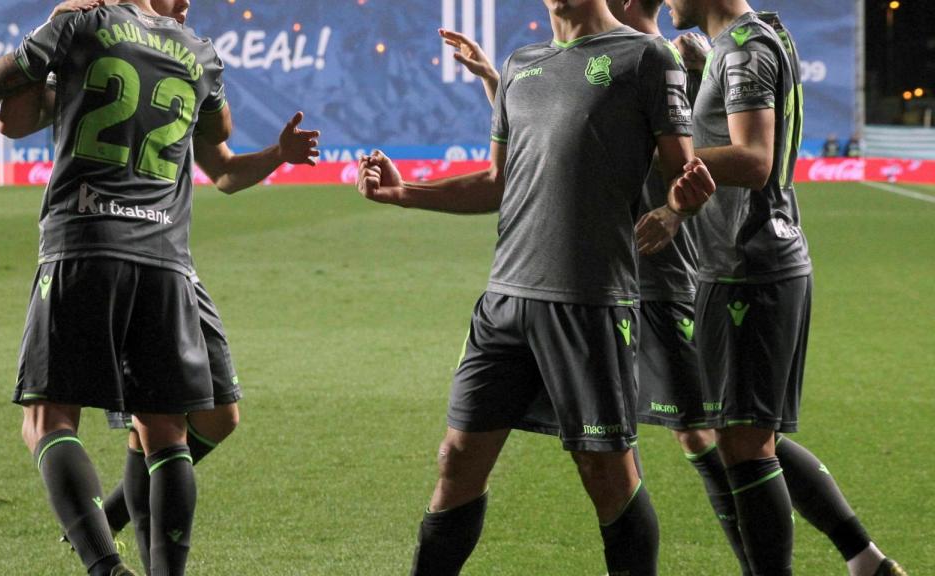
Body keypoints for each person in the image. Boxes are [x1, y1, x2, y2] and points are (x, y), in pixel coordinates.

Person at [358, 1, 715, 573]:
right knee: (455, 460)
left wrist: (678, 204)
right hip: (504, 302)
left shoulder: (645, 57)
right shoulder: (522, 64)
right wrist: (406, 194)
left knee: (605, 473)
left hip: (592, 303)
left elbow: (683, 174)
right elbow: (497, 183)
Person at [0, 0, 321, 571]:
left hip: (165, 260)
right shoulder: (114, 39)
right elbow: (15, 117)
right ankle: (118, 541)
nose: (189, 3)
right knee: (163, 424)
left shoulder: (181, 54)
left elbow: (220, 170)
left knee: (209, 418)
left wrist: (277, 156)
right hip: (132, 252)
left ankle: (109, 522)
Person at [0, 1, 236, 573]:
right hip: (164, 255)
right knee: (166, 430)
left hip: (83, 242)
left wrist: (51, 35)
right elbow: (221, 136)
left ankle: (106, 569)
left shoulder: (82, 23)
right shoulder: (199, 51)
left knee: (47, 420)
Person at [664, 1, 908, 574]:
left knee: (745, 444)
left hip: (750, 265)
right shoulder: (753, 36)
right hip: (741, 260)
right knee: (747, 435)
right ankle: (866, 562)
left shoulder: (744, 48)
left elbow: (754, 158)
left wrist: (663, 156)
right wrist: (704, 75)